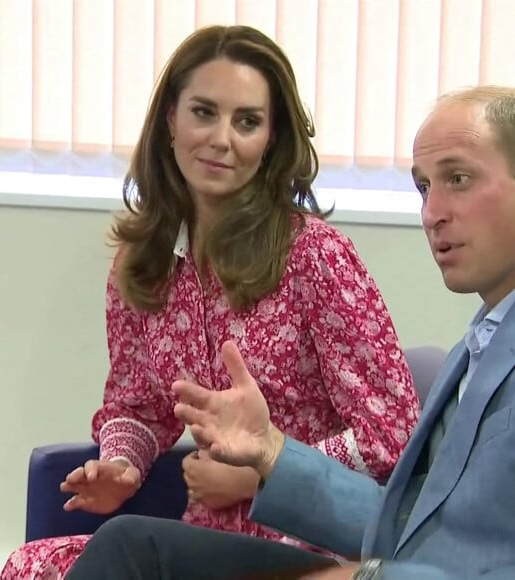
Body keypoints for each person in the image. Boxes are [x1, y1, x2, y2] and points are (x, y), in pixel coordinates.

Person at [0, 24, 418, 579]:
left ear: (271, 140)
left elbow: (394, 437)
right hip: (203, 535)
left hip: (314, 544)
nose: (222, 138)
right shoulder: (143, 261)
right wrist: (122, 463)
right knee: (34, 566)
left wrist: (263, 470)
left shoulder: (316, 256)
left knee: (120, 551)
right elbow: (137, 407)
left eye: (247, 121)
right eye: (204, 112)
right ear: (171, 119)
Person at [64, 84, 515, 580]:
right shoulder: (477, 346)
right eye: (425, 188)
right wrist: (271, 453)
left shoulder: (316, 255)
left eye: (459, 178)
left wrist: (366, 578)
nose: (433, 214)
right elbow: (405, 526)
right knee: (131, 546)